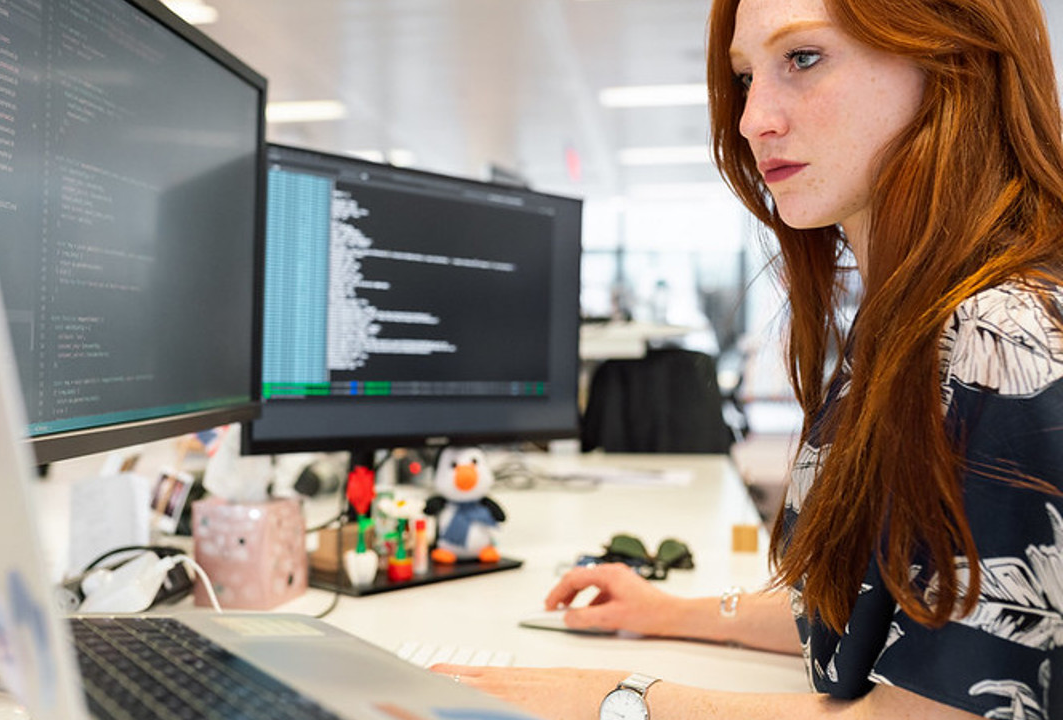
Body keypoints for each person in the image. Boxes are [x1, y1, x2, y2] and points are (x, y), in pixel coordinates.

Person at [431, 0, 1063, 717]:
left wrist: (617, 700)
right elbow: (874, 612)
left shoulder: (1004, 333)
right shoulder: (908, 323)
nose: (751, 118)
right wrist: (673, 612)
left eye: (803, 58)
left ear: (955, 60)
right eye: (744, 77)